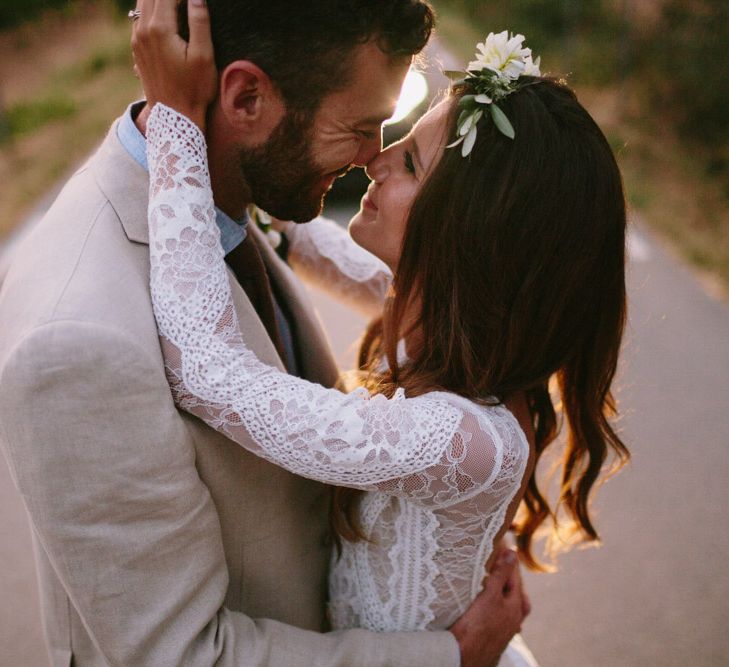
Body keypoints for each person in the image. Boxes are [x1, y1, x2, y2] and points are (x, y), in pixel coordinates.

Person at [0, 0, 529, 665]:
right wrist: (446, 654)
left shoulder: (227, 195)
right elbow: (182, 655)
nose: (374, 157)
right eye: (362, 127)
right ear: (245, 96)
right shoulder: (73, 342)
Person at [134, 1, 628, 666]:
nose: (377, 158)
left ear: (466, 235)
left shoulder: (463, 440)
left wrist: (174, 123)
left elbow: (210, 371)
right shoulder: (449, 322)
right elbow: (302, 239)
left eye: (413, 164)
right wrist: (237, 144)